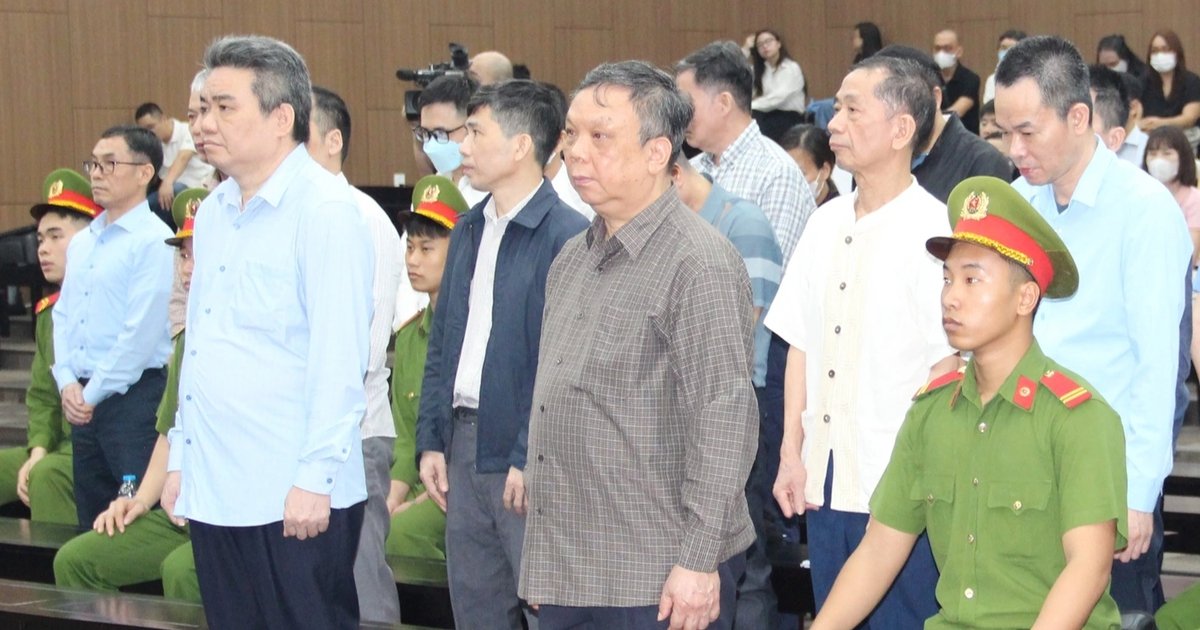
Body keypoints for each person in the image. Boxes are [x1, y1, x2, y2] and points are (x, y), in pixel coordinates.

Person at [810, 176, 1127, 630]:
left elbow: (1089, 568)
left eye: (972, 280)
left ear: (1025, 297)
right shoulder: (931, 414)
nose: (951, 297)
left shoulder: (1077, 418)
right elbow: (879, 550)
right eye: (947, 279)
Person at [519, 59, 757, 630]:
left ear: (657, 153)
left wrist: (698, 561)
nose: (576, 152)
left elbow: (724, 419)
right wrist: (542, 566)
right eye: (572, 134)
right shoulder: (571, 259)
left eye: (600, 137)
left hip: (656, 576)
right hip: (570, 570)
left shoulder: (698, 263)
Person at [161, 35, 375, 630]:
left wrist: (315, 477)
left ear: (282, 118)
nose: (203, 123)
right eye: (202, 108)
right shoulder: (213, 213)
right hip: (217, 486)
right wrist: (182, 455)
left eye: (224, 107)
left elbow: (339, 359)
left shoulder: (326, 211)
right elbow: (201, 348)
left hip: (292, 493)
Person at [994, 35, 1193, 616]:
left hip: (1105, 476)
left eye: (1027, 132)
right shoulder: (1016, 202)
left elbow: (1158, 366)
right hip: (1023, 466)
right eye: (1005, 132)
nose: (1014, 149)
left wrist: (1138, 490)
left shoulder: (1144, 210)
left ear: (1078, 117)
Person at [766, 54, 956, 628]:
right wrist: (791, 452)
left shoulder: (935, 231)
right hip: (825, 479)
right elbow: (800, 343)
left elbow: (947, 368)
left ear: (901, 129)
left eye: (853, 110)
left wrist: (913, 483)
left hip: (897, 486)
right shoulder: (822, 222)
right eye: (837, 108)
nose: (834, 123)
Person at [414, 79, 588, 630]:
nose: (461, 146)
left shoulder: (568, 236)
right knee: (477, 611)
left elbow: (560, 365)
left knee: (546, 612)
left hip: (526, 451)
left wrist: (528, 453)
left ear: (520, 146)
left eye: (475, 133)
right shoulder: (468, 228)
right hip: (463, 444)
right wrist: (430, 439)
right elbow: (444, 343)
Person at [53, 189, 207, 603]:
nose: (187, 268)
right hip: (181, 509)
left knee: (181, 571)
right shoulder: (186, 341)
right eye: (183, 256)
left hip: (233, 512)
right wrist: (139, 500)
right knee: (76, 560)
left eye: (199, 255)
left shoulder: (250, 336)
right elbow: (169, 432)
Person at [671, 153, 784, 628]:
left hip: (734, 410)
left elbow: (743, 333)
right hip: (678, 420)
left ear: (673, 174)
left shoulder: (743, 224)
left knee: (745, 563)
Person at [307, 84, 403, 624]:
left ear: (333, 141)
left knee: (362, 581)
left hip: (355, 432)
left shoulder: (363, 218)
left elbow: (362, 352)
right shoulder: (302, 214)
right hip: (303, 435)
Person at [55, 125, 174, 529]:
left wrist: (89, 394)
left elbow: (139, 336)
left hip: (132, 402)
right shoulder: (83, 241)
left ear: (145, 173)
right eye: (93, 164)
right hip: (82, 401)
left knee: (131, 519)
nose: (97, 173)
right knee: (91, 518)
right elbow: (62, 316)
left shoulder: (154, 240)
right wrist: (67, 382)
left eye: (110, 164)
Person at [0, 169, 99, 525]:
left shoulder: (110, 305)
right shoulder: (49, 314)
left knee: (46, 477)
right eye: (40, 238)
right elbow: (42, 396)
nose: (43, 248)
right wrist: (38, 448)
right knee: (33, 467)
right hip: (56, 443)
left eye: (56, 236)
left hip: (94, 448)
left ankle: (56, 563)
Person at [676, 40, 814, 267]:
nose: (679, 116)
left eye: (686, 105)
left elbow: (771, 274)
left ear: (723, 103)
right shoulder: (693, 168)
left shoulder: (776, 174)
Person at [387, 175, 468, 561]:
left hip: (460, 488)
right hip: (422, 482)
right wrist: (392, 497)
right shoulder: (408, 337)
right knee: (371, 523)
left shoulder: (474, 334)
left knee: (399, 534)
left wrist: (413, 507)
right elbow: (406, 438)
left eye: (426, 248)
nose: (413, 260)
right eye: (409, 247)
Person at [876, 44, 1012, 202]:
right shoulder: (875, 157)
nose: (888, 114)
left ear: (935, 98)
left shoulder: (982, 162)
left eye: (896, 100)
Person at [134, 102, 215, 223]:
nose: (149, 133)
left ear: (163, 119)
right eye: (144, 131)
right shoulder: (154, 144)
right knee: (143, 202)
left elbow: (183, 157)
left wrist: (167, 182)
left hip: (198, 187)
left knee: (156, 201)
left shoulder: (187, 130)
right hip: (170, 191)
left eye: (151, 127)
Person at [415, 74, 486, 207]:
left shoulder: (492, 193)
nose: (431, 144)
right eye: (425, 133)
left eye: (440, 133)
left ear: (472, 128)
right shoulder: (431, 190)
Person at [1145, 125, 1200, 261]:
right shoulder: (1139, 195)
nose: (1158, 160)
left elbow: (1191, 254)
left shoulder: (1194, 199)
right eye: (1153, 154)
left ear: (1183, 157)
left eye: (1167, 153)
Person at [750, 29, 807, 142]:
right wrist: (747, 50)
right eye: (760, 45)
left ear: (779, 43)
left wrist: (750, 105)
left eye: (768, 41)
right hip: (766, 114)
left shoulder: (791, 68)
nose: (765, 46)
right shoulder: (759, 71)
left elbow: (778, 98)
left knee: (757, 128)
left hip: (789, 116)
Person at [1140, 30, 1200, 134]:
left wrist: (1159, 123)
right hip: (1151, 139)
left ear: (1176, 53)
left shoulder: (1191, 81)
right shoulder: (1142, 82)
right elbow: (1135, 117)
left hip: (1186, 139)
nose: (1160, 55)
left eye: (1165, 49)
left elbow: (1189, 118)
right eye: (1154, 51)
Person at [933, 29, 982, 134]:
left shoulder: (971, 79)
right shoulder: (929, 78)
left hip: (966, 138)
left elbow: (957, 112)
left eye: (947, 48)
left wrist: (930, 119)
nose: (941, 53)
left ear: (959, 52)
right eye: (938, 48)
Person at [780, 124, 839, 206]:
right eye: (787, 172)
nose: (792, 181)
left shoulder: (840, 210)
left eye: (801, 173)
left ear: (824, 170)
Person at [982, 29, 1027, 104]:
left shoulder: (1034, 78)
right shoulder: (992, 80)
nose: (1007, 52)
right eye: (1003, 48)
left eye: (1012, 48)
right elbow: (989, 107)